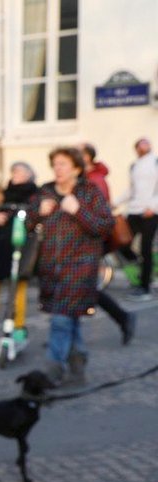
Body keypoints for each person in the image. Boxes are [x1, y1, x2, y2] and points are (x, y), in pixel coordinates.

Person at [30, 146, 114, 386]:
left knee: (60, 320)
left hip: (80, 268)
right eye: (55, 163)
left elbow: (104, 225)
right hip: (51, 268)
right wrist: (36, 213)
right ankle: (78, 366)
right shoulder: (45, 192)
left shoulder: (89, 192)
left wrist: (78, 211)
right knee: (70, 317)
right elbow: (26, 223)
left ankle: (52, 372)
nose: (57, 168)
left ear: (76, 168)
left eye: (63, 164)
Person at [79, 142, 138, 343]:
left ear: (86, 157)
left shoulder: (95, 180)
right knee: (78, 286)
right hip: (82, 239)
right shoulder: (84, 179)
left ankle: (123, 317)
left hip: (92, 240)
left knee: (81, 285)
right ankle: (65, 330)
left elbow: (98, 214)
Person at [0, 161, 38, 340]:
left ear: (29, 174)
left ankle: (19, 326)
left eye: (19, 172)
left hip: (22, 245)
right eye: (14, 172)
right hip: (0, 243)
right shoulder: (2, 193)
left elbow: (36, 215)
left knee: (19, 284)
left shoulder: (34, 194)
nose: (15, 175)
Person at [123, 137, 158, 301]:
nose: (145, 145)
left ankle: (145, 286)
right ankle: (139, 264)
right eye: (142, 143)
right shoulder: (134, 166)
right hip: (133, 211)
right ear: (136, 148)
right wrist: (113, 203)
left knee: (146, 248)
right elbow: (130, 190)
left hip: (150, 213)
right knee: (123, 242)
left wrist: (153, 207)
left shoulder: (155, 162)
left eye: (147, 143)